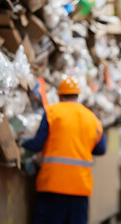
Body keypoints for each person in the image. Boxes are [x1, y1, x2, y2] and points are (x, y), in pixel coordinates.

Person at [23, 76, 106, 224]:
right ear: (78, 95)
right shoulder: (92, 118)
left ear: (60, 95)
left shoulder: (52, 112)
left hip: (53, 185)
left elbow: (37, 144)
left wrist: (22, 142)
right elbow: (101, 149)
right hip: (80, 188)